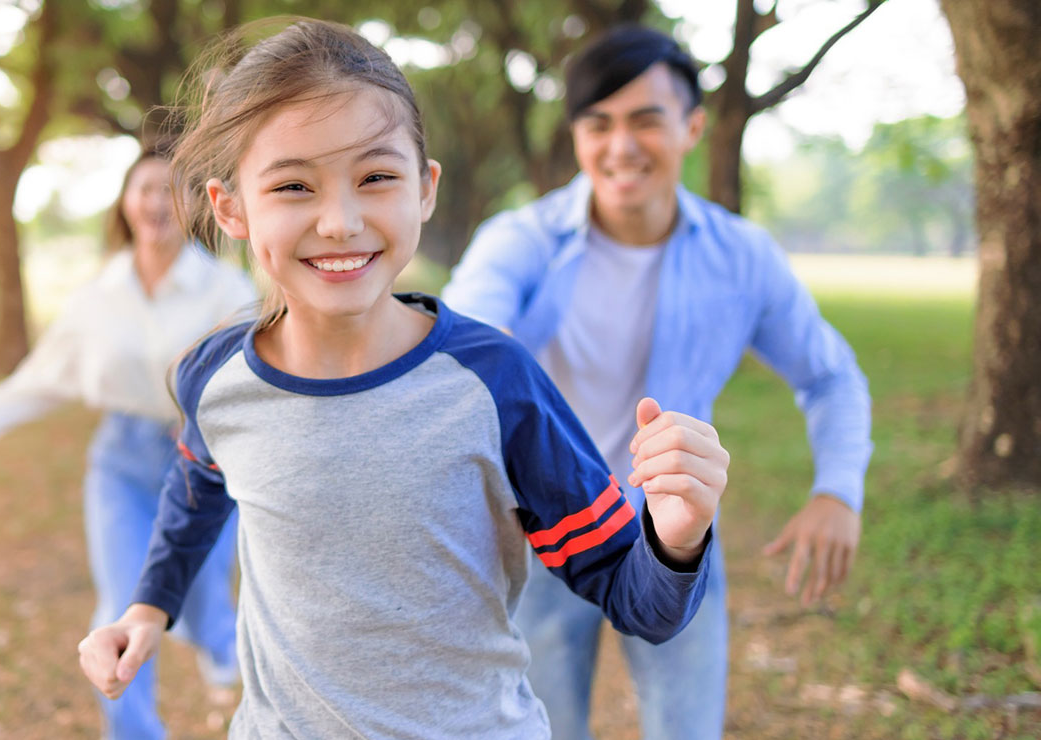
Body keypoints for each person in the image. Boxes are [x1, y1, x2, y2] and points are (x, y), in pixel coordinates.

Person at [77, 19, 734, 737]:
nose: (339, 220)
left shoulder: (494, 382)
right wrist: (149, 605)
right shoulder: (217, 376)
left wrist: (675, 538)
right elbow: (197, 486)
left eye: (376, 177)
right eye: (294, 185)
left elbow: (634, 597)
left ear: (424, 189)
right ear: (231, 207)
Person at [442, 25, 873, 740]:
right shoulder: (522, 240)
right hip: (541, 530)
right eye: (598, 123)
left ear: (693, 127)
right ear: (577, 135)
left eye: (646, 120)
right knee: (536, 728)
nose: (621, 146)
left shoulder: (741, 257)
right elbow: (469, 337)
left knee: (688, 729)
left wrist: (838, 491)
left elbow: (830, 375)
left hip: (674, 533)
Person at [0, 149, 254, 740]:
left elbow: (255, 372)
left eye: (170, 190)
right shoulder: (98, 297)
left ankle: (218, 644)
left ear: (193, 205)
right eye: (145, 189)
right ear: (126, 203)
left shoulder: (225, 289)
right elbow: (44, 374)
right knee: (119, 605)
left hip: (205, 461)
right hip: (122, 464)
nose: (157, 202)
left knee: (206, 586)